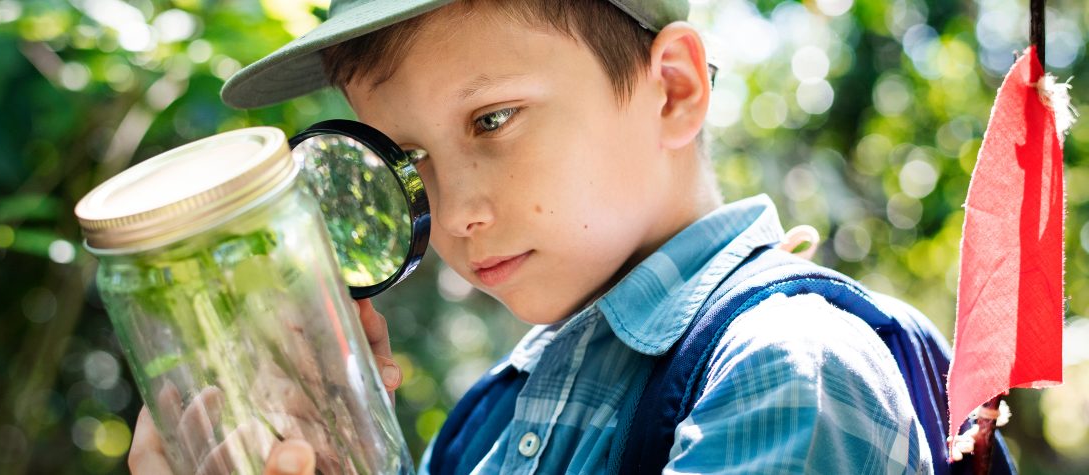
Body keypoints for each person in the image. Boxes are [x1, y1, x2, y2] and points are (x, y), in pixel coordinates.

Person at [129, 0, 933, 473]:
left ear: (674, 91)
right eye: (406, 161)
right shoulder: (481, 424)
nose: (451, 214)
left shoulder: (784, 370)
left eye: (492, 120)